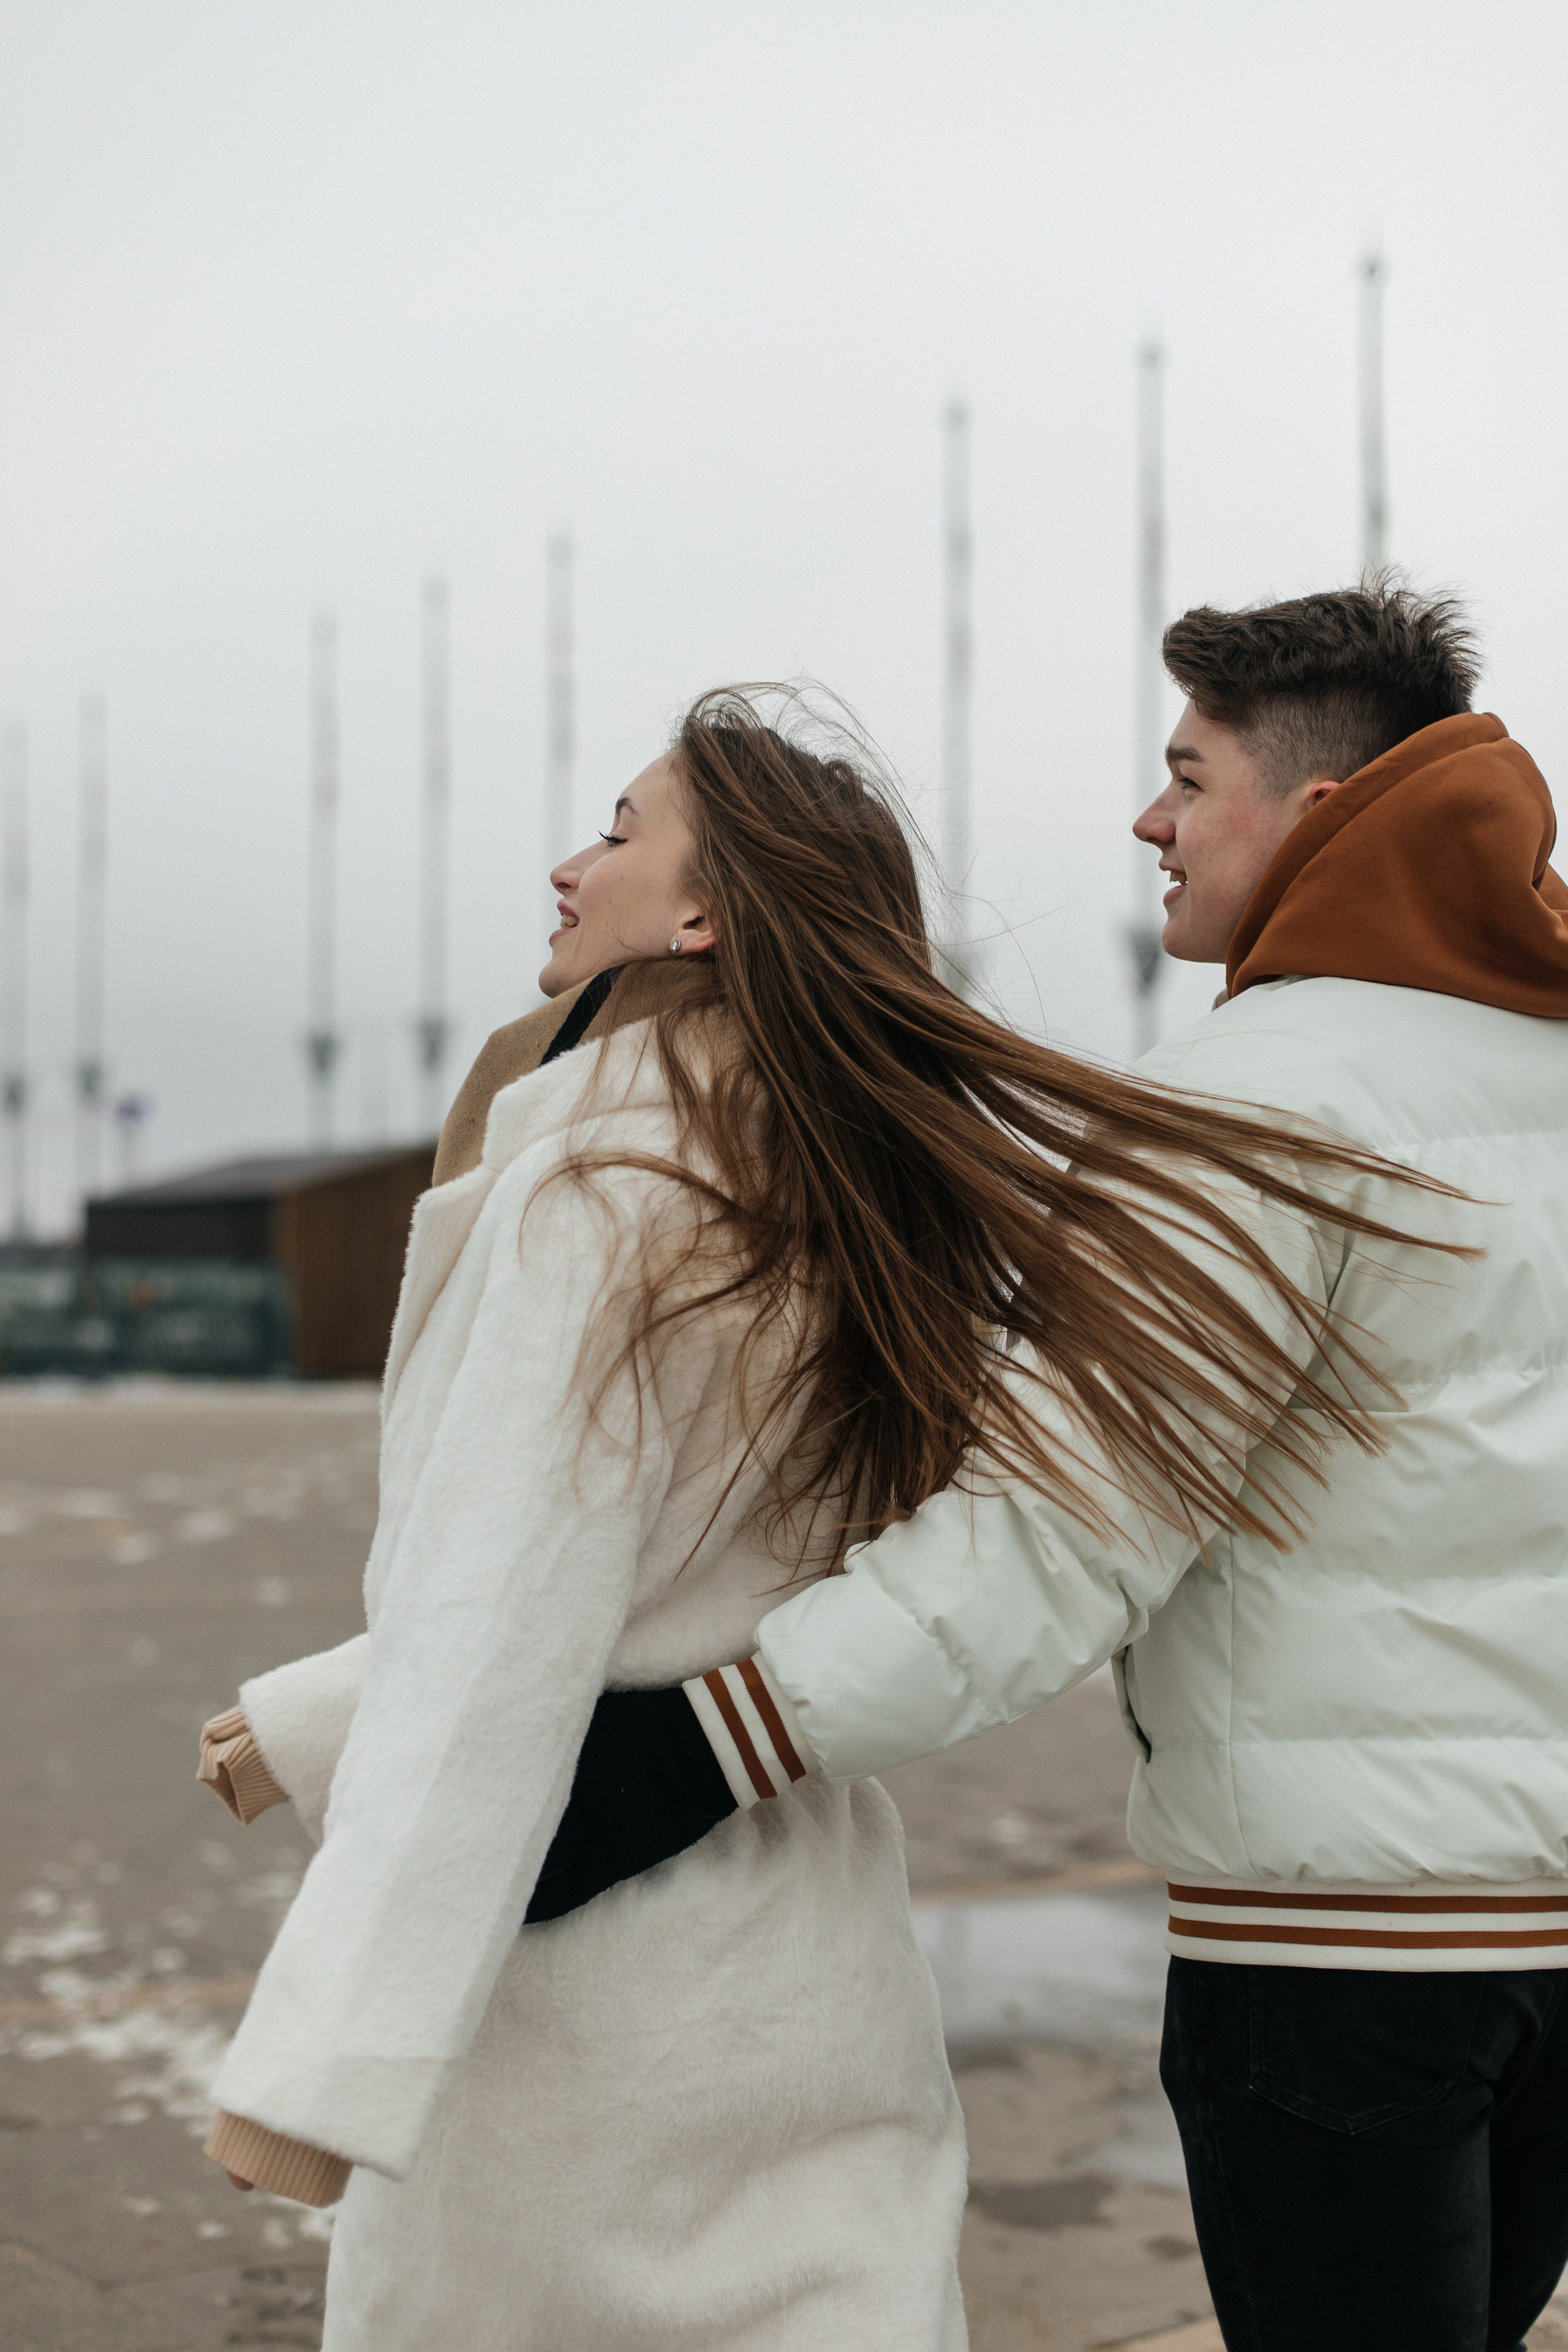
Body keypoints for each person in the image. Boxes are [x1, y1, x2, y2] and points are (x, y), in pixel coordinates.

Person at [194, 682, 1426, 2352]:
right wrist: (310, 1715)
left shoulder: (603, 1196)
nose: (571, 863)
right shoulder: (849, 1201)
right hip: (806, 1971)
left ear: (707, 914)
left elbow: (505, 1632)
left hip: (580, 2016)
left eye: (620, 833)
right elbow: (700, 1583)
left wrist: (323, 2070)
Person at [512, 590, 1568, 2352]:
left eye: (1187, 776)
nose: (1149, 823)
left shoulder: (1253, 1104)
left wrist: (692, 1749)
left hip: (1346, 1962)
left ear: (1317, 813)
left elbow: (1062, 1533)